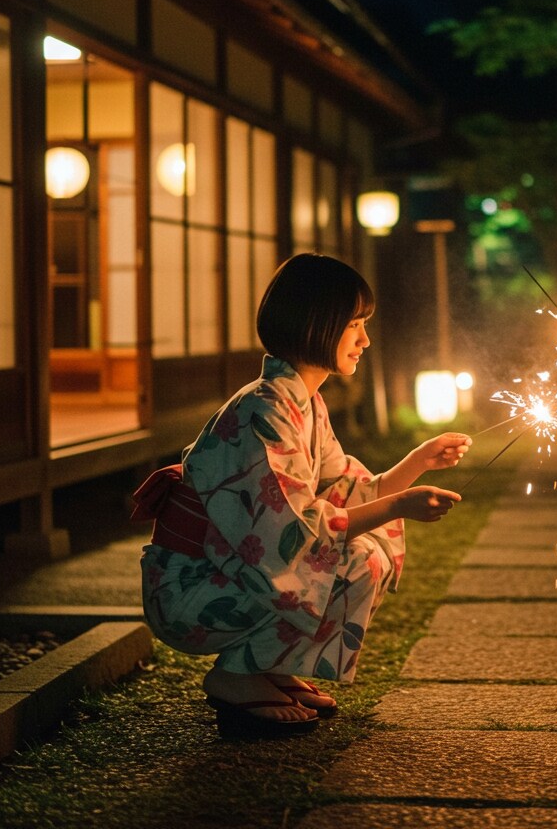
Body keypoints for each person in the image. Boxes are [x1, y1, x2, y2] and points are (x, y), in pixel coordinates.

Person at [134, 253, 471, 732]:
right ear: (316, 324)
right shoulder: (263, 411)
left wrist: (418, 462)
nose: (365, 340)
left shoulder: (303, 403)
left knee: (360, 552)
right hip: (189, 589)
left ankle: (266, 666)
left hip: (222, 571)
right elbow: (293, 530)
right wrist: (399, 505)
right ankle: (235, 675)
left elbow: (344, 493)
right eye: (354, 325)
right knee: (355, 560)